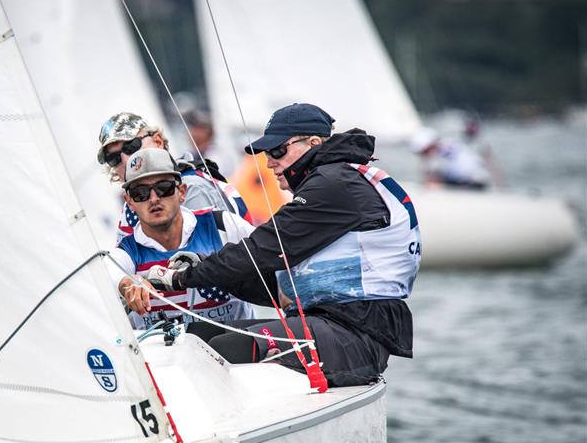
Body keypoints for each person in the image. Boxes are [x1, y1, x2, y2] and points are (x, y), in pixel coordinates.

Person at [143, 103, 421, 387]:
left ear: (314, 143)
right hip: (333, 325)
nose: (269, 162)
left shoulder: (336, 183)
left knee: (226, 347)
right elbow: (275, 287)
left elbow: (262, 248)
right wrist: (203, 267)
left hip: (357, 337)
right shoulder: (336, 180)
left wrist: (179, 278)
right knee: (196, 335)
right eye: (267, 154)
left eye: (278, 151)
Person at [108, 148, 257, 330]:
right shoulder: (127, 252)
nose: (154, 199)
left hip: (236, 353)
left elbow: (271, 255)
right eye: (141, 193)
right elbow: (107, 273)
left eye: (164, 188)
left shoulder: (222, 224)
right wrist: (127, 284)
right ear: (129, 202)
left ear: (182, 192)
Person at [97, 112, 251, 239]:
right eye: (113, 158)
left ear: (158, 141)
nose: (126, 160)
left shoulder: (190, 188)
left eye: (132, 146)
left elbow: (209, 264)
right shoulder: (132, 205)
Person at [410, 127, 490, 190]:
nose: (422, 155)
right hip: (476, 180)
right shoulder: (448, 143)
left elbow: (432, 179)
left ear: (430, 146)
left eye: (423, 152)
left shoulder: (439, 155)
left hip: (472, 184)